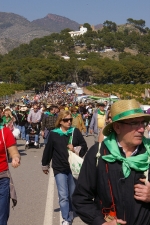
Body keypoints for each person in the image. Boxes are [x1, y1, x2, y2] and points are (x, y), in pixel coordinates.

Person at [72, 99, 150, 225]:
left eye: (143, 123)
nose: (141, 129)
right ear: (117, 127)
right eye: (134, 123)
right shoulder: (98, 154)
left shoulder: (149, 153)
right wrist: (101, 222)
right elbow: (81, 198)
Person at [42, 110, 87, 225]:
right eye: (66, 120)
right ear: (60, 121)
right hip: (59, 168)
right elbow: (48, 150)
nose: (69, 122)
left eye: (70, 120)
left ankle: (71, 211)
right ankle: (66, 218)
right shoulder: (53, 134)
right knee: (63, 196)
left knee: (72, 195)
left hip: (72, 168)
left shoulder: (75, 132)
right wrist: (45, 165)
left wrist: (75, 149)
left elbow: (84, 146)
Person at [0, 115, 21, 225]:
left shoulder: (4, 132)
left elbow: (13, 151)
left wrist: (15, 158)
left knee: (2, 216)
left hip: (2, 178)